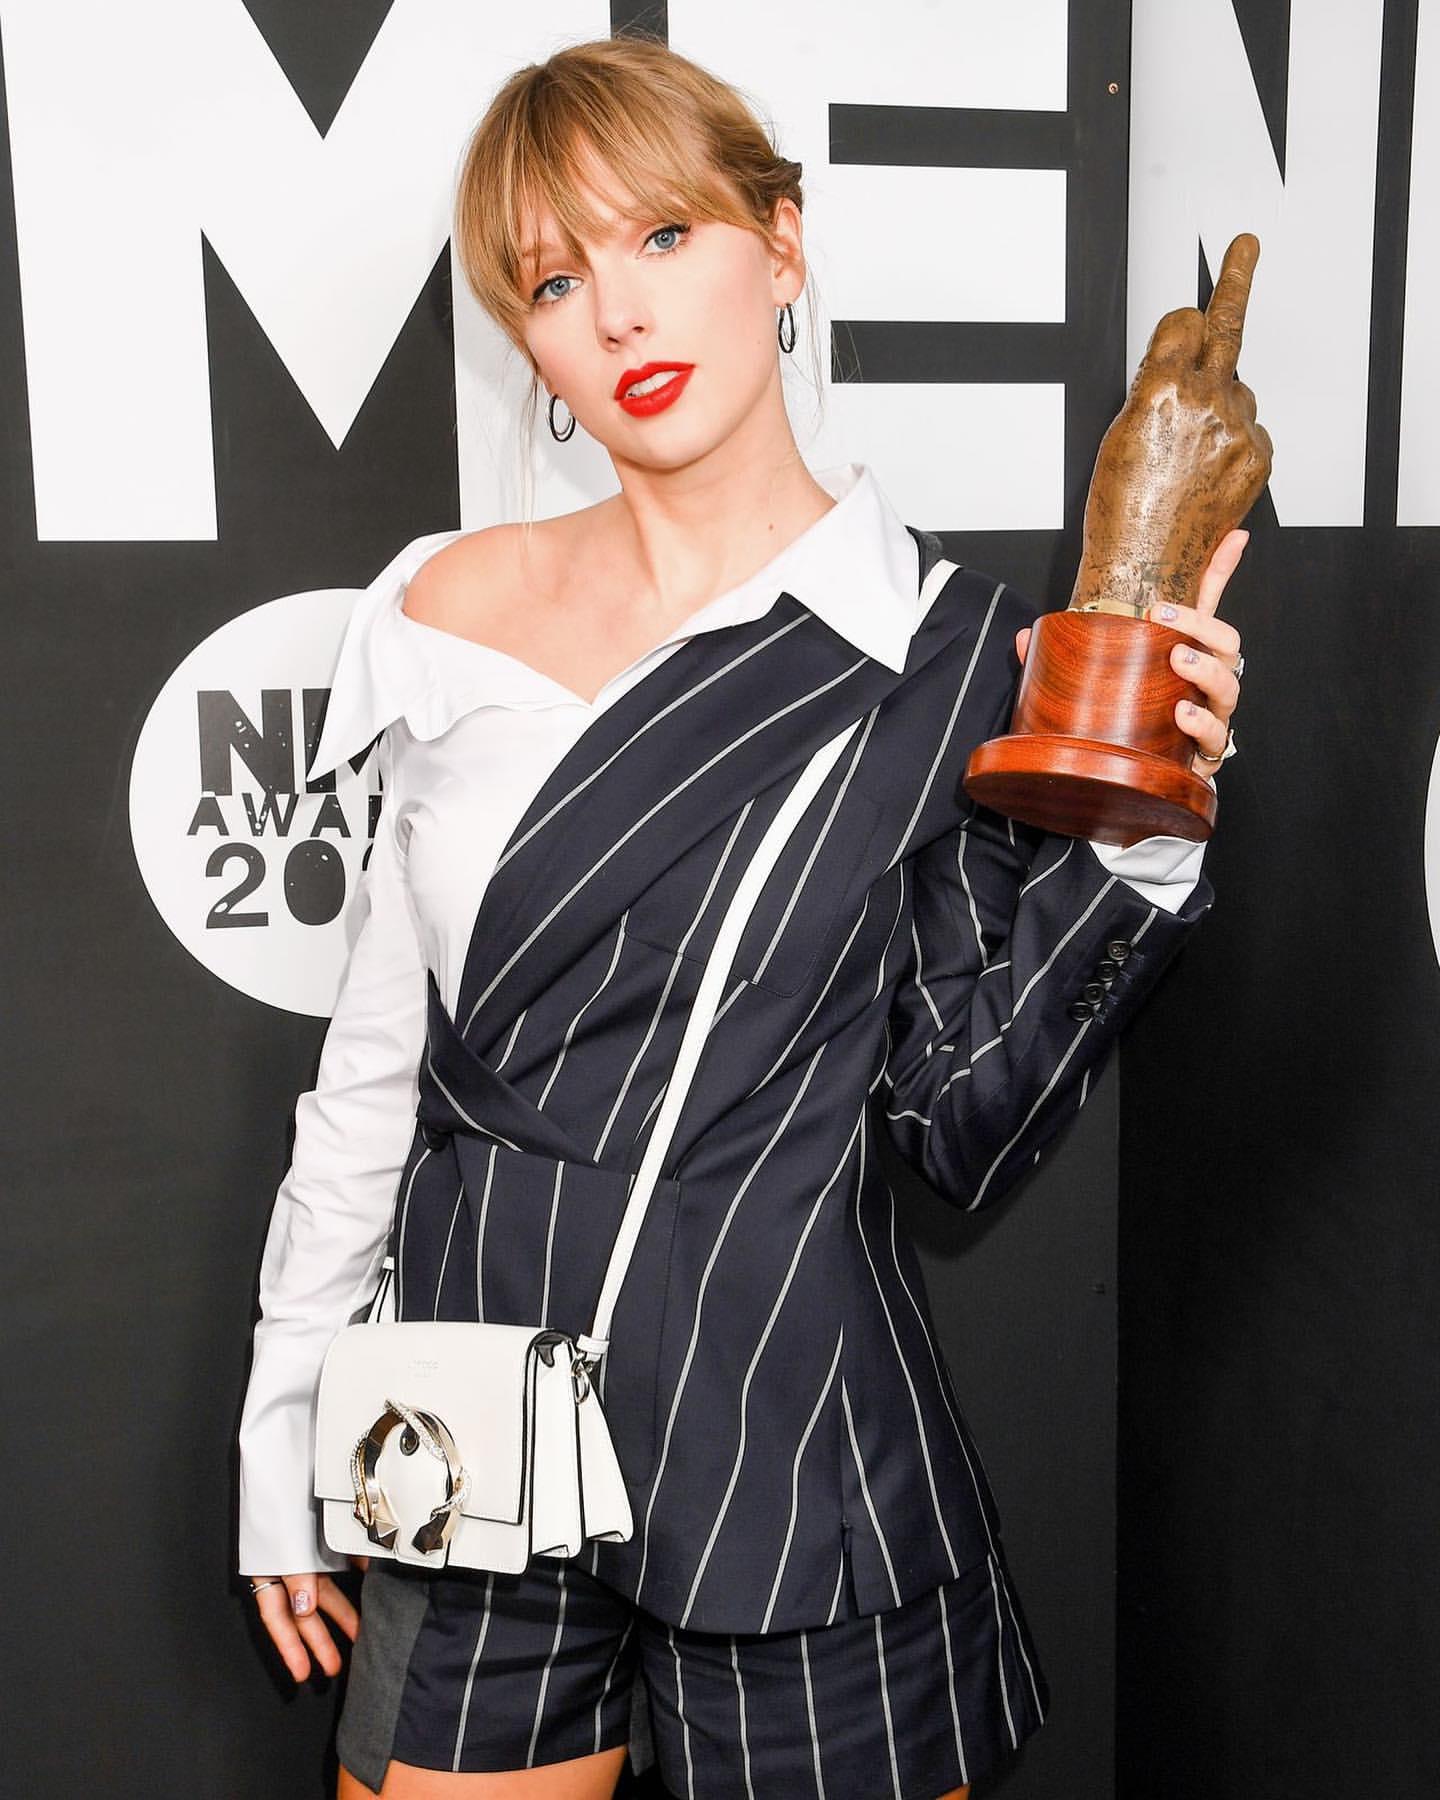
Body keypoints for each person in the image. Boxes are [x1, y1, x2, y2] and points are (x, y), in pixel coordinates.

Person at [236, 33, 1246, 1800]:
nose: (618, 314)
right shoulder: (442, 612)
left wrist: (1144, 823)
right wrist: (286, 1436)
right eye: (556, 280)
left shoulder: (953, 657)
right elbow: (374, 1080)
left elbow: (956, 1122)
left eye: (664, 236)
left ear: (781, 241)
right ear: (528, 339)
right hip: (467, 1439)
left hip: (792, 1448)